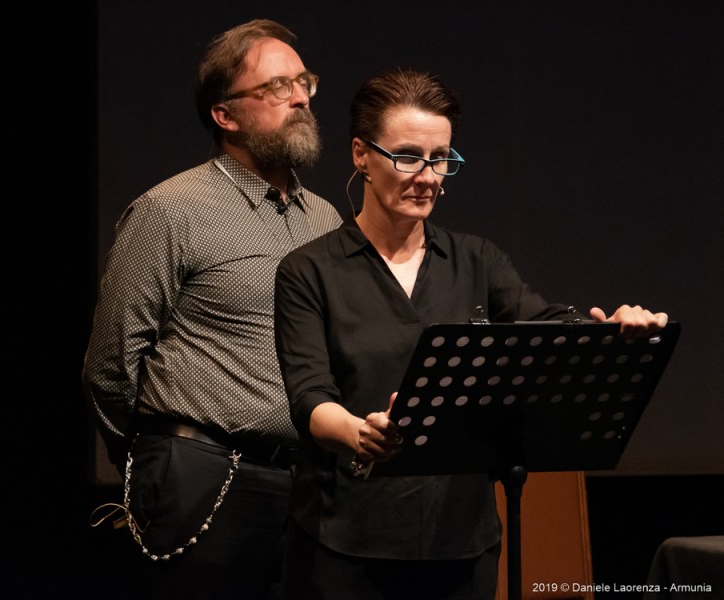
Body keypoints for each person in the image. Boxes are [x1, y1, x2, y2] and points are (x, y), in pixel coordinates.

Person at [273, 67, 669, 600]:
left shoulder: (476, 259)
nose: (430, 176)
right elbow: (308, 393)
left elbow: (546, 323)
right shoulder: (309, 270)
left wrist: (614, 329)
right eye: (409, 156)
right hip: (346, 540)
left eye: (441, 159)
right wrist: (358, 433)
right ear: (361, 155)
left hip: (461, 541)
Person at [82, 19, 342, 600]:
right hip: (204, 475)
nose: (299, 98)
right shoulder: (171, 210)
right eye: (276, 87)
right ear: (225, 115)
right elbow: (109, 365)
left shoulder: (324, 219)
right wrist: (158, 461)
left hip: (307, 484)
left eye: (304, 82)